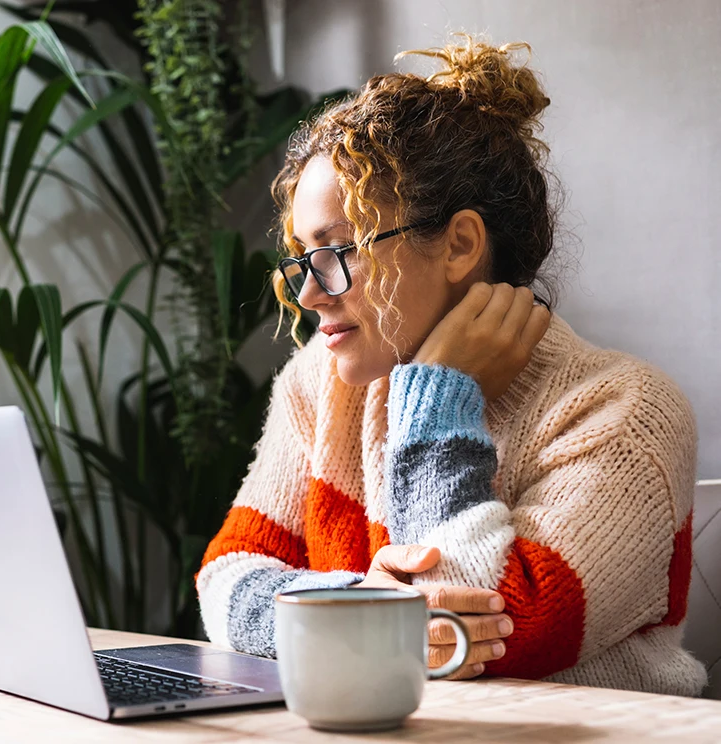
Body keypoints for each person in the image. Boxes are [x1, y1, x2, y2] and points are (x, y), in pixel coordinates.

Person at [196, 35, 707, 696]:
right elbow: (224, 576)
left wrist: (438, 397)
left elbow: (472, 640)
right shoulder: (318, 386)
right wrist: (362, 604)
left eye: (339, 250)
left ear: (461, 244)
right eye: (302, 258)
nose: (309, 293)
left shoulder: (625, 411)